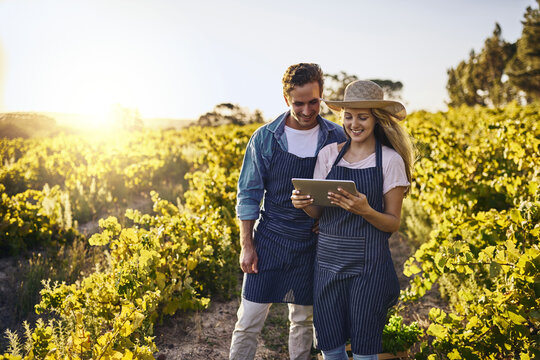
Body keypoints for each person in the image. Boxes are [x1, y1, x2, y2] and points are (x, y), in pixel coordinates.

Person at [229, 63, 347, 360]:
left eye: (313, 102)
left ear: (321, 96)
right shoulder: (266, 138)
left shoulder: (336, 137)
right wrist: (247, 244)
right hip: (270, 239)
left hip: (312, 243)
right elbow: (249, 194)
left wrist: (328, 219)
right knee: (249, 320)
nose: (307, 110)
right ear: (286, 100)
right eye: (299, 103)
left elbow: (347, 189)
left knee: (303, 321)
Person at [291, 80, 414, 360]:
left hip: (368, 267)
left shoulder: (390, 161)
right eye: (348, 116)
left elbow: (393, 223)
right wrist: (304, 204)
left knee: (364, 348)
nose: (354, 123)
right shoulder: (329, 155)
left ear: (376, 120)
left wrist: (365, 210)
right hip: (328, 263)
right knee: (330, 344)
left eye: (362, 116)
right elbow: (319, 213)